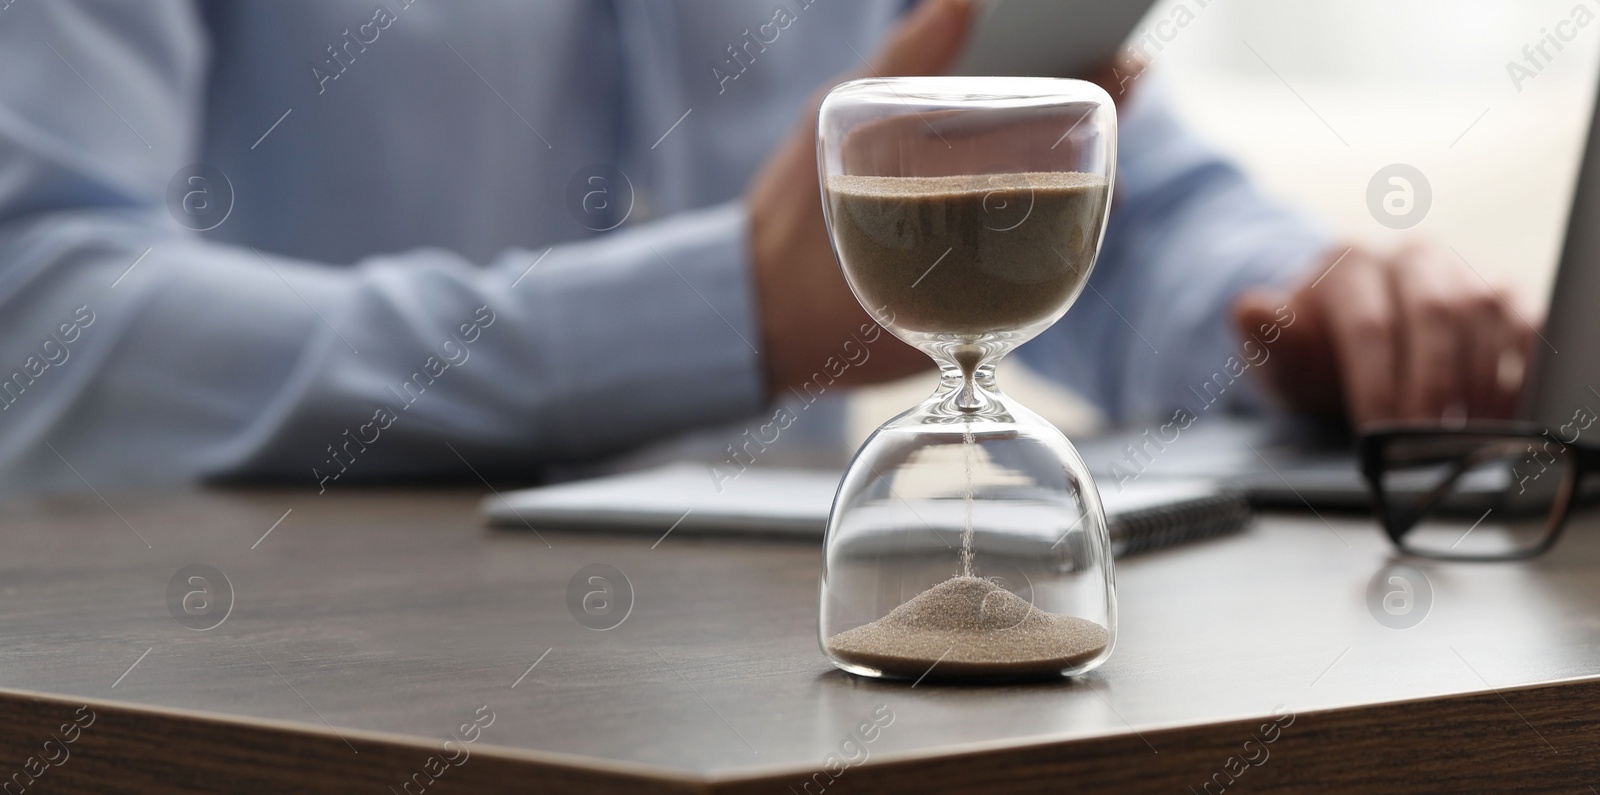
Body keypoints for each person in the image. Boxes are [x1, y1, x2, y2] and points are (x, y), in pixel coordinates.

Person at [0, 0, 1532, 492]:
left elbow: (1067, 173)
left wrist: (1304, 303)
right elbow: (39, 323)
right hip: (268, 711)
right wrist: (727, 306)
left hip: (786, 704)